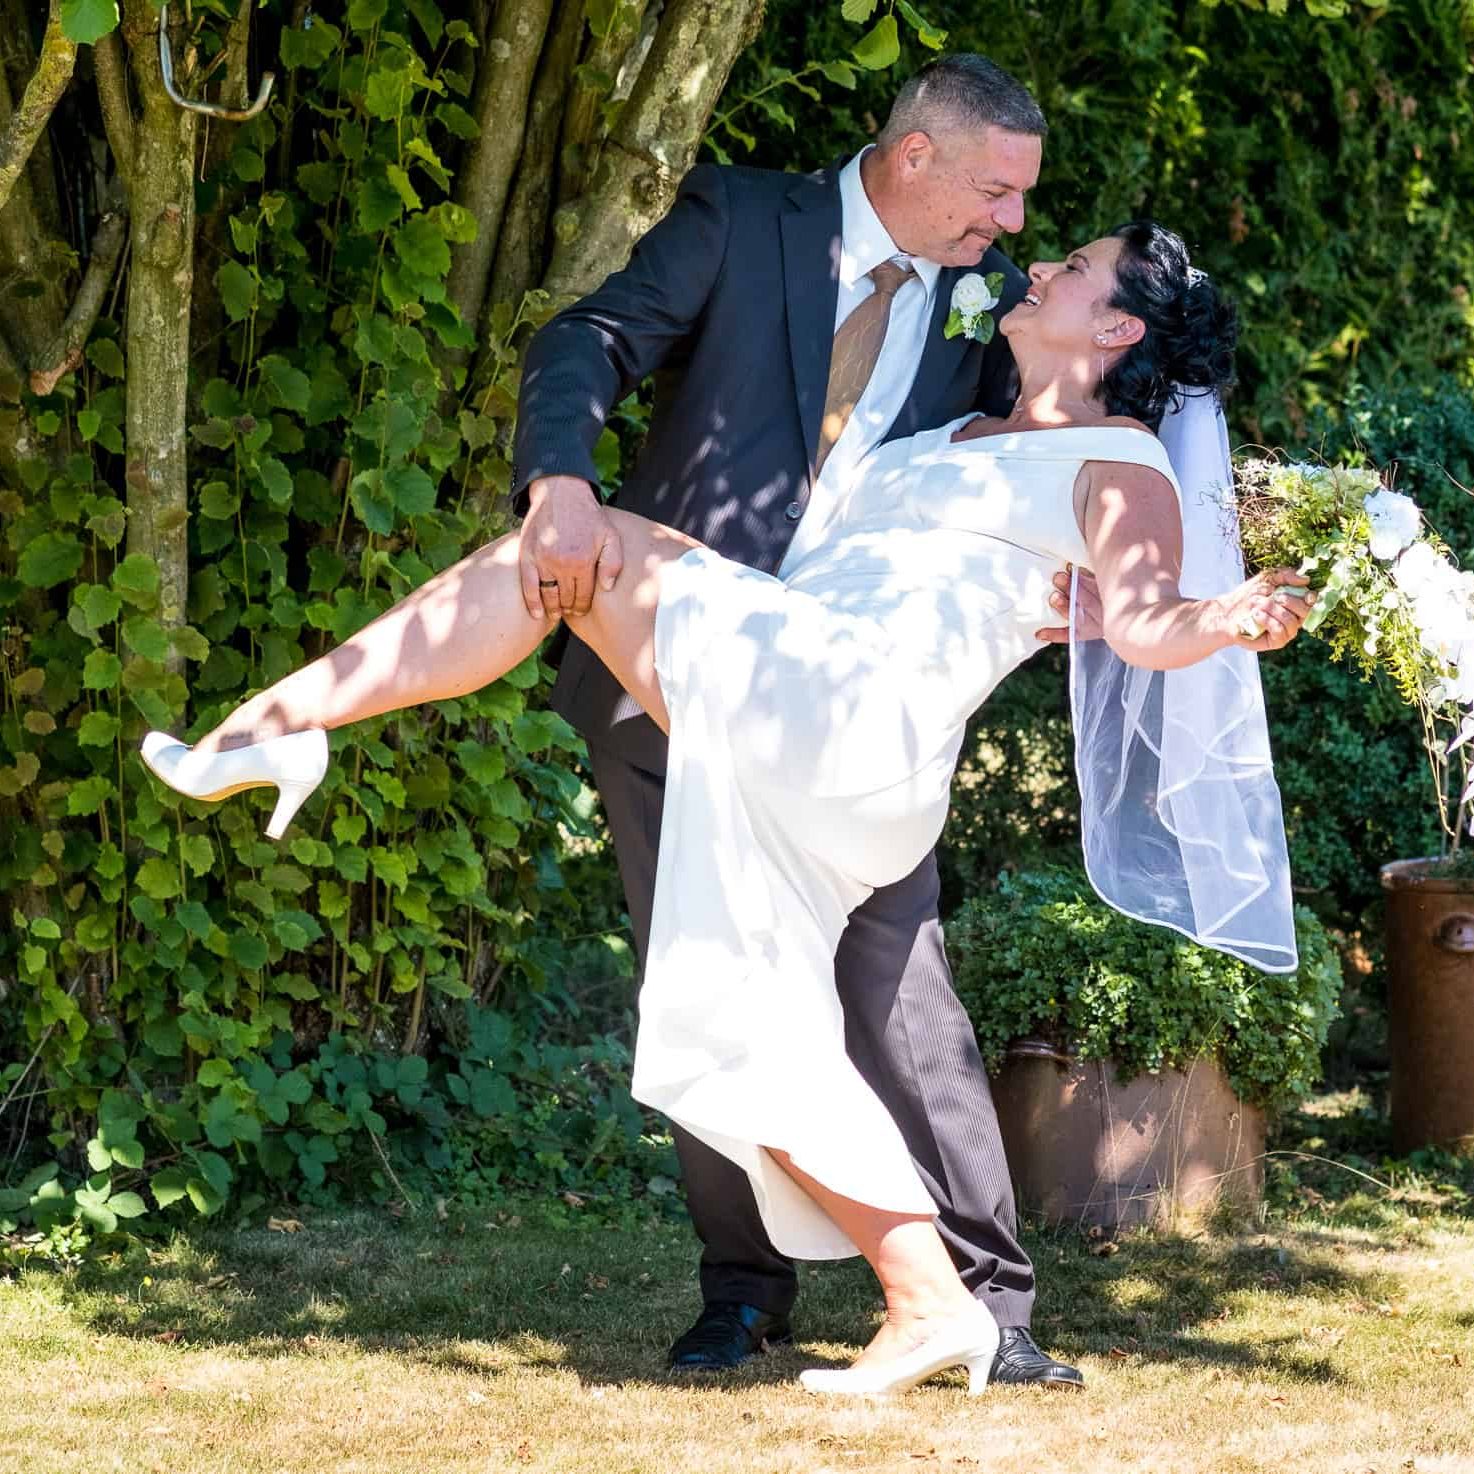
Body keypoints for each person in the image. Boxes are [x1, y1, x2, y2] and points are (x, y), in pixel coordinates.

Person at [141, 220, 1311, 1398]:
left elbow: (1154, 617)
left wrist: (1227, 618)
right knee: (726, 1007)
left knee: (577, 545)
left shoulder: (1120, 461)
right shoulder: (951, 427)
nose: (1043, 262)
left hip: (862, 714)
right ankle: (925, 1301)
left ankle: (276, 729)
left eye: (1077, 267)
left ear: (1117, 327)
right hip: (807, 709)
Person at [508, 51, 1084, 1386]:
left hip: (854, 702)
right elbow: (586, 336)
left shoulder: (996, 305)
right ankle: (744, 1292)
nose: (1011, 225)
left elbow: (1052, 447)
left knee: (899, 985)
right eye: (997, 192)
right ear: (916, 155)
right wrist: (561, 484)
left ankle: (987, 1305)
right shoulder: (741, 219)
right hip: (673, 674)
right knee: (703, 970)